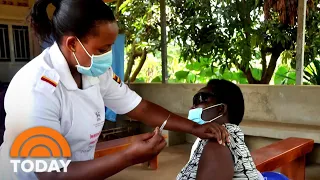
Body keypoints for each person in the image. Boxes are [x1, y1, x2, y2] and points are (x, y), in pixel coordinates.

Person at [0, 0, 230, 180]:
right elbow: (51, 174)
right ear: (72, 44)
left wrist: (195, 128)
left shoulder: (93, 70)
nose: (108, 57)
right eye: (102, 49)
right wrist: (128, 157)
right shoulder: (36, 90)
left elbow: (140, 107)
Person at [176, 79, 264, 180]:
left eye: (199, 99)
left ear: (220, 109)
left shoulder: (218, 144)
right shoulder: (220, 138)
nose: (192, 107)